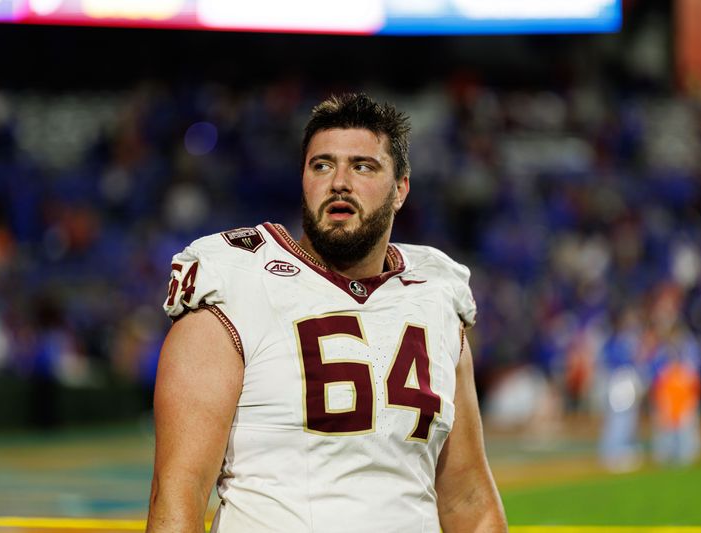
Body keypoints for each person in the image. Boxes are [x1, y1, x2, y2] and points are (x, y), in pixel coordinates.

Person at [146, 93, 507, 532]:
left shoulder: (437, 294)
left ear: (401, 190)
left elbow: (468, 498)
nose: (339, 181)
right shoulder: (236, 280)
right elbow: (178, 488)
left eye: (363, 166)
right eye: (322, 165)